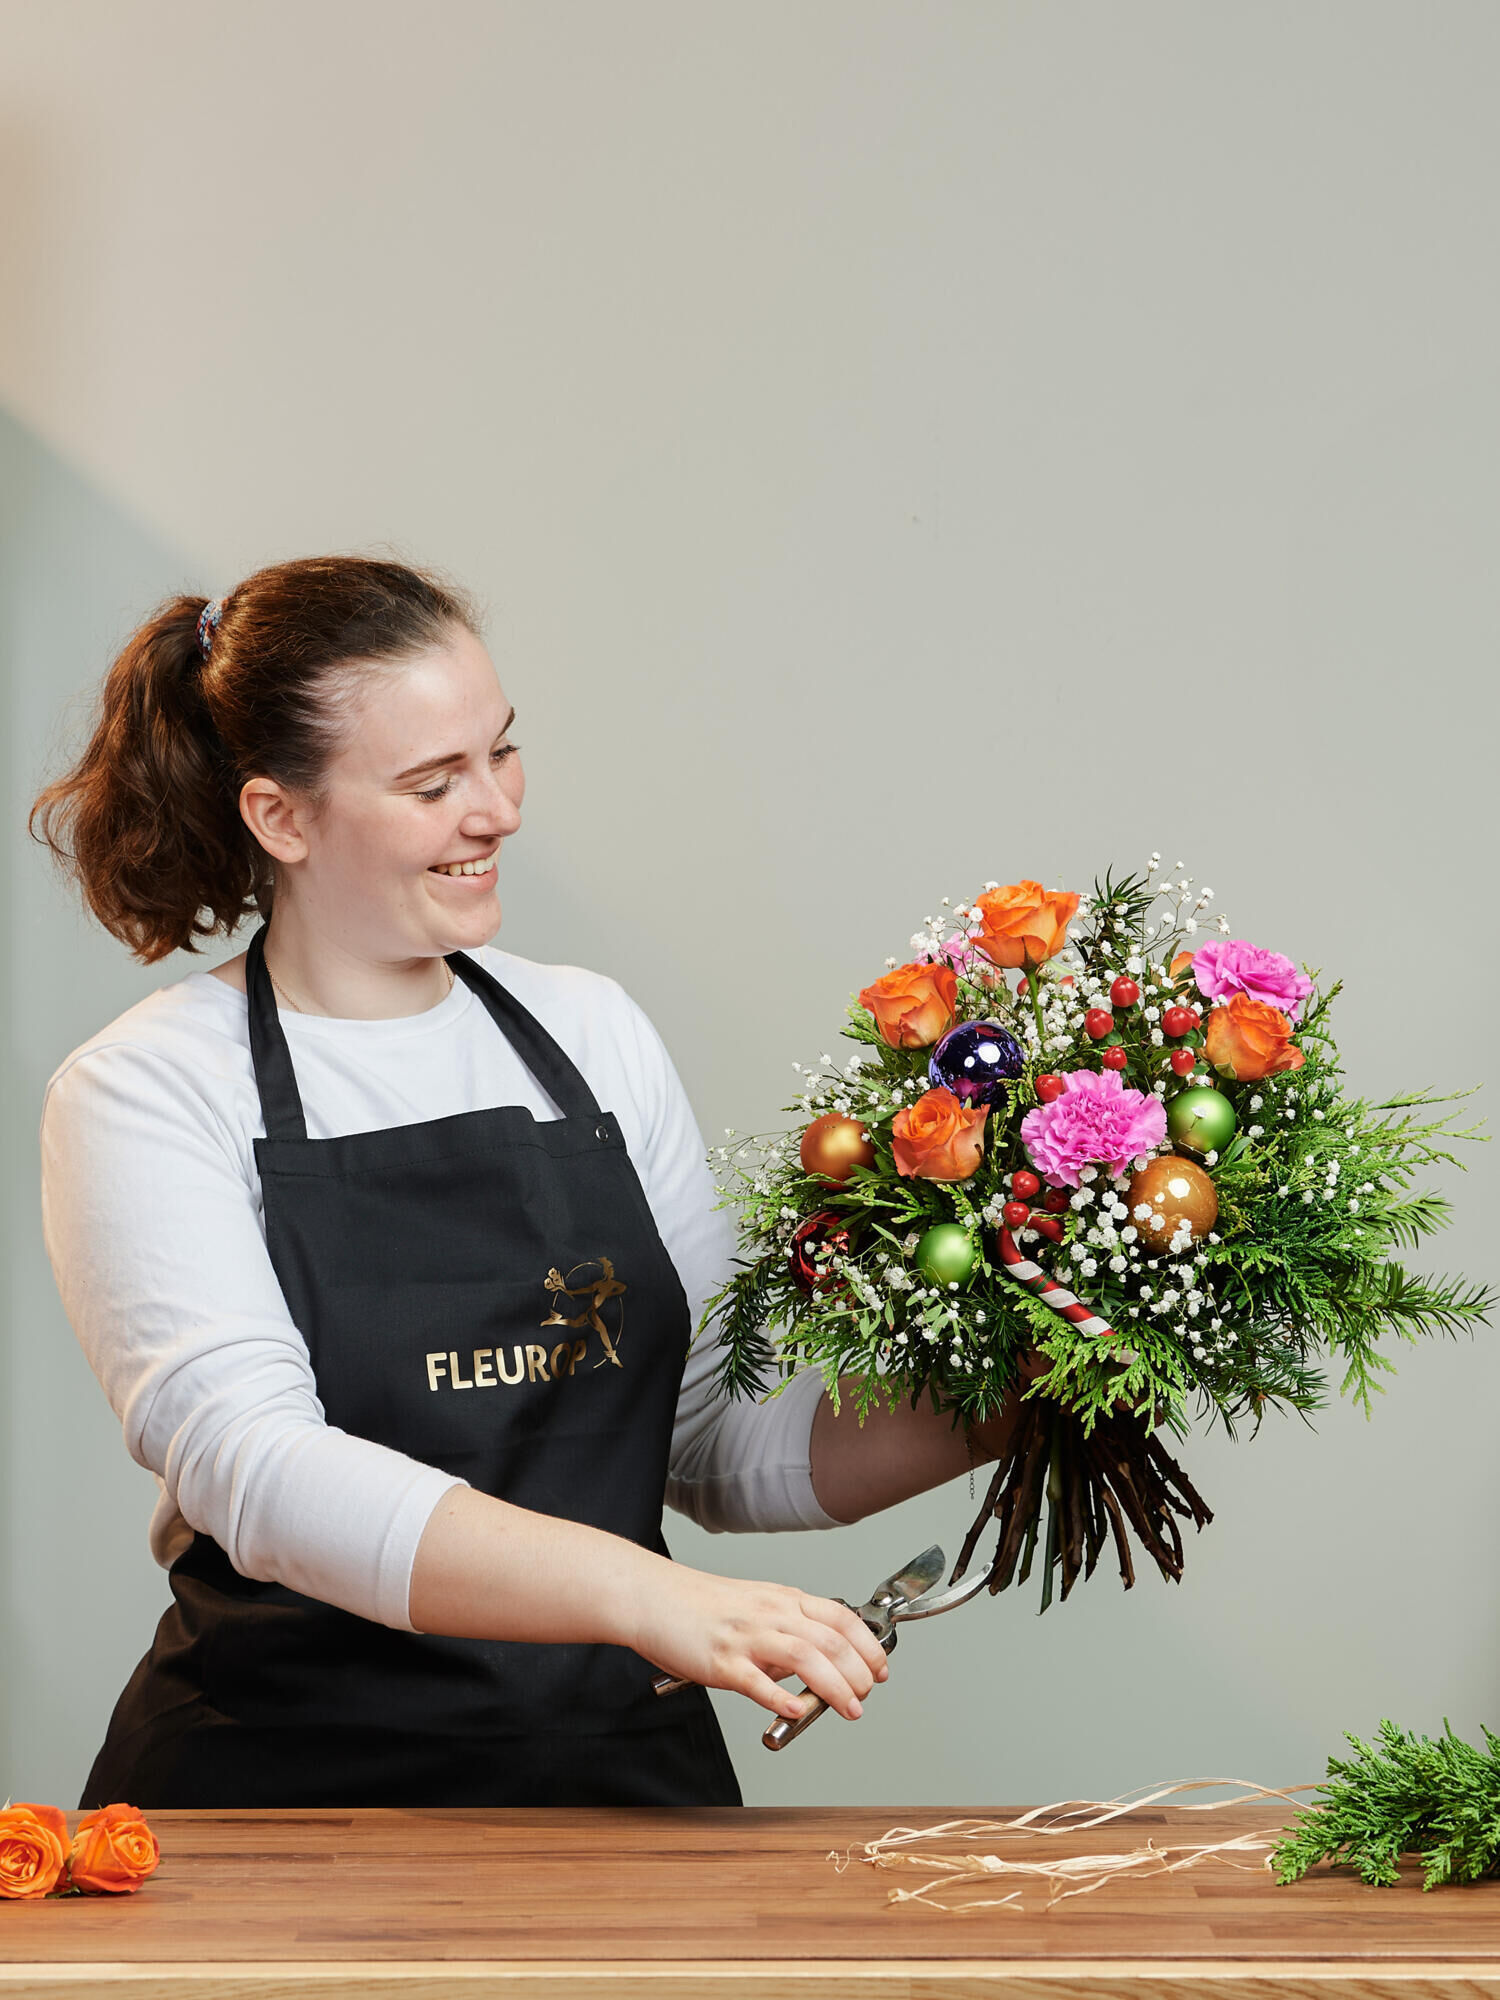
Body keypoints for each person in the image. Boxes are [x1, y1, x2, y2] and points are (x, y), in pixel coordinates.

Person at [30, 554, 1033, 1810]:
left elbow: (715, 1442)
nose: (496, 808)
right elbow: (261, 1469)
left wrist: (1018, 1398)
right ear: (280, 816)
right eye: (431, 781)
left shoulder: (593, 1035)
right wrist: (653, 1597)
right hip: (283, 1801)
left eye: (500, 752)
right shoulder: (149, 1086)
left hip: (617, 1787)